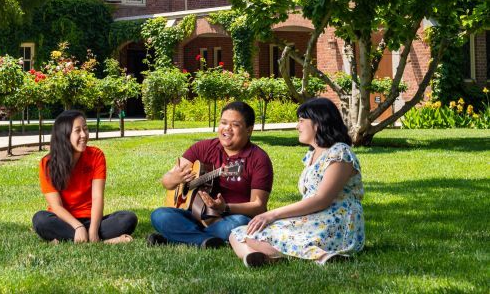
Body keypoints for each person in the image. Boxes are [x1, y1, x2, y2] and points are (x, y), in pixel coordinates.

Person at [230, 97, 365, 267]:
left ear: (318, 122)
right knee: (239, 233)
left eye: (301, 121)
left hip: (336, 223)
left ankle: (321, 256)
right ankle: (256, 257)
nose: (297, 126)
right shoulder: (312, 155)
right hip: (313, 217)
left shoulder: (340, 154)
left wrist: (272, 214)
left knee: (258, 235)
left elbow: (321, 199)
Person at [148, 101, 274, 249]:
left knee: (240, 223)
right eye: (223, 122)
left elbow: (258, 206)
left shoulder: (259, 159)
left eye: (235, 125)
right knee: (160, 215)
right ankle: (203, 239)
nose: (227, 128)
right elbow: (167, 182)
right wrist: (174, 179)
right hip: (194, 215)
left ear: (249, 130)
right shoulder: (203, 148)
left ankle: (181, 237)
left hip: (228, 218)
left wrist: (225, 207)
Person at [32, 110, 138, 244]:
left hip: (92, 220)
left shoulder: (96, 155)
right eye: (77, 131)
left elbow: (97, 197)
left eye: (86, 129)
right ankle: (104, 241)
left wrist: (93, 230)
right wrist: (78, 226)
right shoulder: (47, 163)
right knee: (40, 220)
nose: (84, 135)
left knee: (128, 218)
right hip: (64, 220)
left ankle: (75, 238)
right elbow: (56, 206)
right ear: (64, 135)